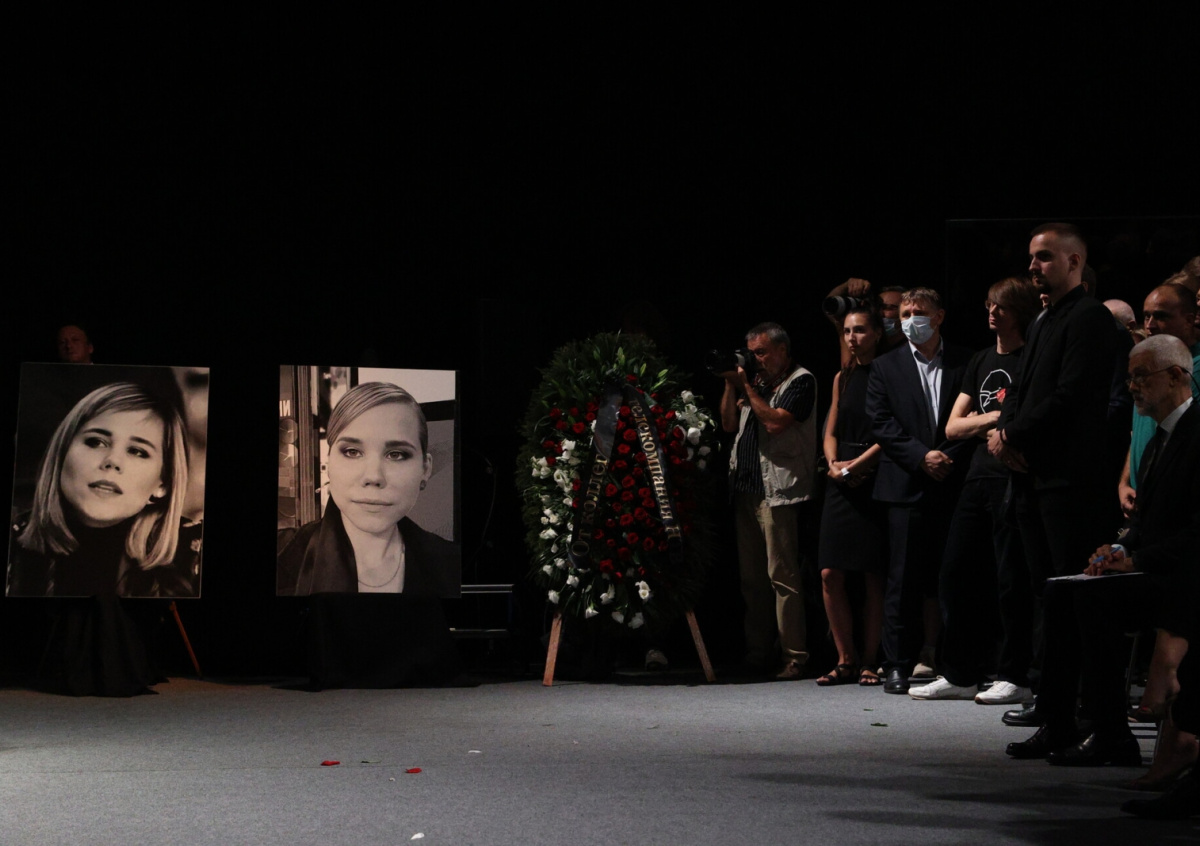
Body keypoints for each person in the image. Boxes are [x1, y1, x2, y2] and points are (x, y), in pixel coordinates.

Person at [1006, 335, 1200, 766]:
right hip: (1157, 567)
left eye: (1140, 376)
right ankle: (1058, 721)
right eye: (1128, 378)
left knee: (1095, 599)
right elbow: (1144, 523)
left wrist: (1137, 559)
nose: (1132, 387)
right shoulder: (1157, 440)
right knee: (1060, 590)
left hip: (1184, 577)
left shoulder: (1195, 433)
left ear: (1175, 376)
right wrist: (1116, 546)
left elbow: (1195, 533)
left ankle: (1110, 732)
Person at [988, 223, 1120, 724]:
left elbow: (1072, 396)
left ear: (1074, 261)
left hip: (1069, 483)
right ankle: (1054, 716)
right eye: (1031, 257)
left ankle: (1088, 719)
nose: (1032, 266)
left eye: (1044, 256)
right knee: (1049, 599)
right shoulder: (1044, 320)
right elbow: (1019, 388)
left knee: (1074, 603)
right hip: (1033, 479)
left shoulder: (1090, 318)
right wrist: (1003, 433)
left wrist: (1013, 434)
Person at [909, 278, 1040, 703]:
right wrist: (996, 419)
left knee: (1010, 579)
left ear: (1019, 311)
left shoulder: (1030, 358)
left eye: (1001, 306)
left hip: (1012, 478)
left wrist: (988, 423)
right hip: (976, 478)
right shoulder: (981, 359)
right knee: (955, 574)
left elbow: (1027, 418)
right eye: (989, 304)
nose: (992, 312)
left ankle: (1014, 674)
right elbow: (952, 427)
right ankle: (960, 673)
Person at [866, 287, 973, 693]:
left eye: (919, 312)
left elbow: (974, 416)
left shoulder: (966, 360)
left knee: (953, 577)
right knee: (902, 579)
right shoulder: (885, 366)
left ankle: (953, 661)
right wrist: (922, 456)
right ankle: (897, 663)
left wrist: (944, 457)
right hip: (905, 485)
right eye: (905, 313)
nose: (911, 319)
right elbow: (881, 422)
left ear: (939, 316)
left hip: (953, 480)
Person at [7, 382, 197, 598]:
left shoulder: (194, 556)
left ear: (163, 485)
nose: (112, 461)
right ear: (61, 455)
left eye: (137, 451)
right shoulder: (13, 541)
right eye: (96, 442)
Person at [277, 382, 459, 597]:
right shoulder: (282, 553)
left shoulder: (451, 562)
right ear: (329, 462)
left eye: (396, 454)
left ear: (425, 469)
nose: (373, 477)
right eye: (352, 452)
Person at [719, 322, 817, 680]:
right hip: (746, 490)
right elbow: (728, 425)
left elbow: (775, 423)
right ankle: (758, 653)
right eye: (751, 353)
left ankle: (795, 656)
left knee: (783, 577)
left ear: (782, 350)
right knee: (752, 580)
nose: (754, 359)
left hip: (778, 492)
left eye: (760, 352)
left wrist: (745, 386)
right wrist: (731, 384)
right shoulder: (756, 383)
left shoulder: (801, 381)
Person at [816, 306, 887, 686]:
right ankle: (845, 659)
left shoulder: (890, 373)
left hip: (874, 475)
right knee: (830, 572)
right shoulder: (842, 377)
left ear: (877, 333)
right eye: (846, 331)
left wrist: (857, 466)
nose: (851, 338)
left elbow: (893, 432)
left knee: (873, 575)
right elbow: (831, 429)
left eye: (859, 330)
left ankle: (870, 660)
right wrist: (833, 464)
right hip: (840, 477)